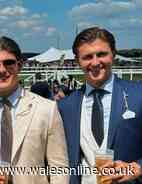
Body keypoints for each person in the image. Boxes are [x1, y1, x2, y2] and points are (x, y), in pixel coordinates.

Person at [0, 36, 69, 184]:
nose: (2, 70)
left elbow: (59, 167)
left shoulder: (46, 109)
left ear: (19, 65)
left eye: (8, 63)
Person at [58, 27, 142, 184]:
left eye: (101, 54)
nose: (95, 62)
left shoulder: (138, 95)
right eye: (87, 57)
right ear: (77, 61)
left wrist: (138, 167)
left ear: (113, 54)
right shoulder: (65, 106)